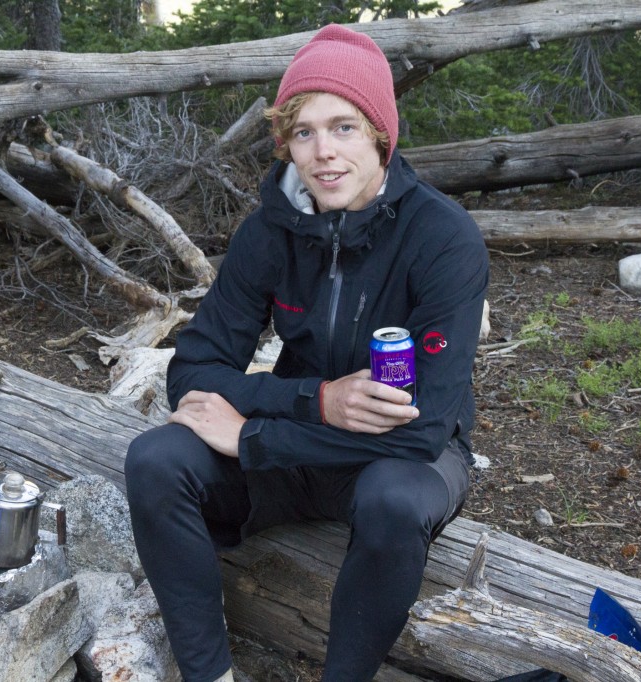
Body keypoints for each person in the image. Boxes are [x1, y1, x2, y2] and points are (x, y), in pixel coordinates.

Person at [125, 23, 489, 682]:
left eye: (344, 127)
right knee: (156, 459)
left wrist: (257, 440)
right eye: (304, 132)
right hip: (293, 438)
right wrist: (312, 400)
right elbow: (193, 372)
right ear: (286, 143)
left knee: (395, 502)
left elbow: (425, 429)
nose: (324, 152)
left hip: (401, 457)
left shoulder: (444, 240)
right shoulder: (270, 231)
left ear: (381, 133)